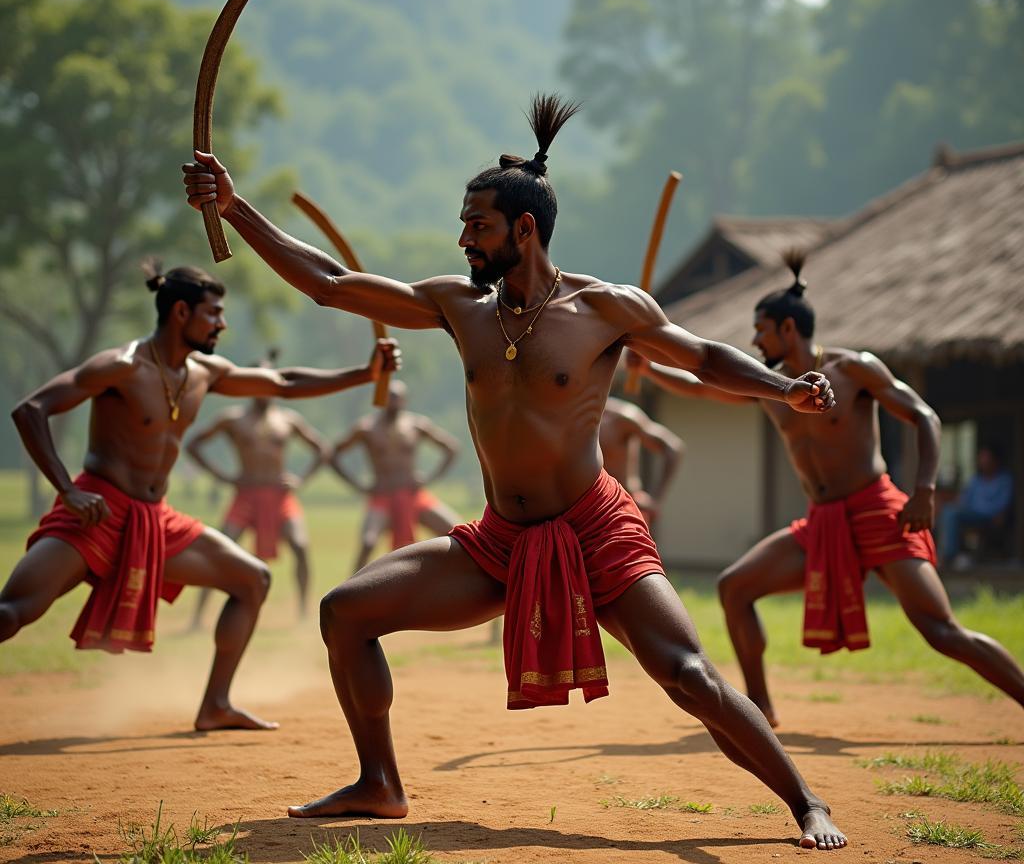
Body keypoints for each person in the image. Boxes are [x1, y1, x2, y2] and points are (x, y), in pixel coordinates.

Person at [183, 94, 847, 849]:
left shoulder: (605, 308)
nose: (463, 238)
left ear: (523, 230)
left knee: (688, 674)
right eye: (464, 224)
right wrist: (235, 209)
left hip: (597, 533)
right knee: (346, 613)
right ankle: (380, 783)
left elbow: (701, 357)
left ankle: (805, 801)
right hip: (501, 541)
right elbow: (329, 284)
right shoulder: (458, 306)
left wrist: (782, 386)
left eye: (478, 226)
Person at [630, 251, 1024, 728]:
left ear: (789, 330)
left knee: (941, 631)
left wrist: (923, 490)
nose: (755, 339)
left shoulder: (854, 368)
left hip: (879, 511)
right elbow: (702, 388)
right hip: (823, 521)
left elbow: (924, 415)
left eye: (762, 330)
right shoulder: (771, 386)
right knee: (735, 587)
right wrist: (650, 367)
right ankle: (760, 710)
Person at [1, 265, 398, 731]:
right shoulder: (121, 366)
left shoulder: (204, 372)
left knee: (252, 579)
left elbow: (284, 382)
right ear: (181, 311)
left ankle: (216, 705)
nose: (222, 324)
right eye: (214, 314)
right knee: (15, 611)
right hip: (97, 512)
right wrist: (66, 491)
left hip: (155, 520)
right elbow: (31, 410)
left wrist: (364, 373)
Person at [187, 358, 329, 623]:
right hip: (246, 496)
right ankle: (197, 616)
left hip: (280, 496)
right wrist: (224, 476)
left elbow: (321, 449)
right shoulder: (233, 419)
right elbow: (194, 445)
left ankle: (303, 611)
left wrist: (301, 479)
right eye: (258, 381)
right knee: (220, 549)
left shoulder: (287, 419)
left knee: (300, 545)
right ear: (249, 384)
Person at [328, 379, 462, 575]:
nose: (394, 402)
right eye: (390, 397)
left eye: (398, 398)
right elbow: (333, 454)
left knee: (456, 529)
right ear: (382, 400)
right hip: (382, 497)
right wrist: (358, 485)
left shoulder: (416, 425)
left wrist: (429, 478)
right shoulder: (367, 428)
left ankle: (451, 580)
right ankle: (349, 593)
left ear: (405, 400)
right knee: (368, 542)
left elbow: (451, 448)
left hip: (413, 494)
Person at [599, 395, 683, 539]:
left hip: (622, 514)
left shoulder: (620, 416)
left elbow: (673, 448)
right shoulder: (565, 418)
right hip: (580, 515)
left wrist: (656, 501)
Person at [938, 445, 1014, 568]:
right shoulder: (976, 480)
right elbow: (964, 499)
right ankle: (947, 554)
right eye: (981, 458)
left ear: (995, 460)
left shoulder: (1004, 480)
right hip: (972, 514)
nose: (983, 462)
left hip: (990, 516)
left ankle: (949, 555)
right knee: (948, 512)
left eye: (987, 458)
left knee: (951, 514)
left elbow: (1004, 503)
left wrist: (998, 514)